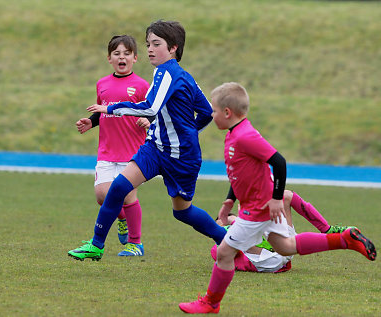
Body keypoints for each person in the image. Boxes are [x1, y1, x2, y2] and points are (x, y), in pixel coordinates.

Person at [179, 82, 376, 314]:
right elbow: (240, 173)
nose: (211, 115)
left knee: (223, 253)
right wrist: (230, 200)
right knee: (285, 246)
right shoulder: (237, 133)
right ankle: (343, 240)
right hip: (258, 206)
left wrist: (275, 198)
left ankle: (210, 302)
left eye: (213, 111)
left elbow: (279, 162)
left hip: (257, 209)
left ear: (227, 112)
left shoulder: (245, 136)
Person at [68, 20, 227, 261]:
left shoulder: (171, 74)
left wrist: (110, 109)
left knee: (182, 213)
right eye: (148, 44)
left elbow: (151, 109)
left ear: (173, 48)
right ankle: (96, 245)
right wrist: (186, 132)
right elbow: (204, 112)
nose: (150, 49)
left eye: (156, 44)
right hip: (154, 148)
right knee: (120, 187)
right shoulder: (169, 73)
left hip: (181, 157)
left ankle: (225, 239)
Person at [75, 35, 151, 256]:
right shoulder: (102, 84)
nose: (122, 57)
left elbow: (152, 111)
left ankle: (135, 244)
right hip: (107, 150)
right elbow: (103, 111)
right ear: (109, 58)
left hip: (132, 151)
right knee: (102, 195)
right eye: (117, 53)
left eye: (127, 53)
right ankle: (122, 220)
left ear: (135, 58)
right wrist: (91, 122)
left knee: (128, 196)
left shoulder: (141, 86)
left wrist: (148, 120)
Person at [211, 190, 354, 273]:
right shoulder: (218, 249)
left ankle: (327, 229)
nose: (225, 223)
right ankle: (344, 241)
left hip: (282, 248)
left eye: (227, 220)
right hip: (265, 259)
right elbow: (228, 255)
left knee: (285, 196)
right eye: (222, 224)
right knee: (242, 226)